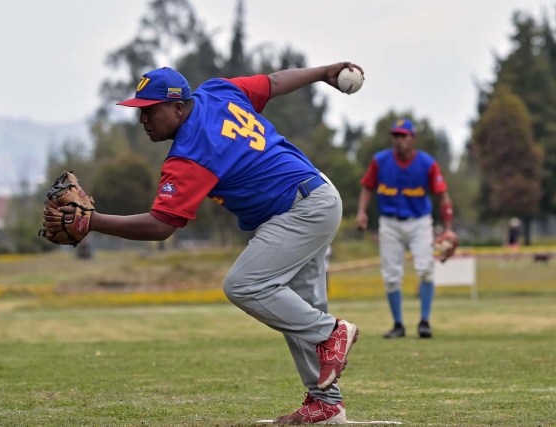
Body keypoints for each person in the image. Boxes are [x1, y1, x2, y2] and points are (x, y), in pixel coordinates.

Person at [45, 64, 363, 424]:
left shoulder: (190, 153)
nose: (143, 118)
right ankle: (325, 403)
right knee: (299, 308)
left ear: (178, 108)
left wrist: (94, 222)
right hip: (315, 195)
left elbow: (161, 225)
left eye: (150, 109)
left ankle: (331, 332)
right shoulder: (217, 91)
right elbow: (274, 83)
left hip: (300, 209)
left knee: (245, 285)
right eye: (140, 110)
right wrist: (323, 72)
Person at [355, 119, 454, 339]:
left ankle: (425, 322)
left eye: (404, 135)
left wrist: (448, 228)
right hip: (389, 222)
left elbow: (442, 194)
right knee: (391, 276)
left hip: (419, 222)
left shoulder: (427, 163)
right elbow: (367, 186)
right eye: (396, 136)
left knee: (426, 269)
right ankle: (398, 324)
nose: (399, 140)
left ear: (413, 138)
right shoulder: (380, 160)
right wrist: (362, 212)